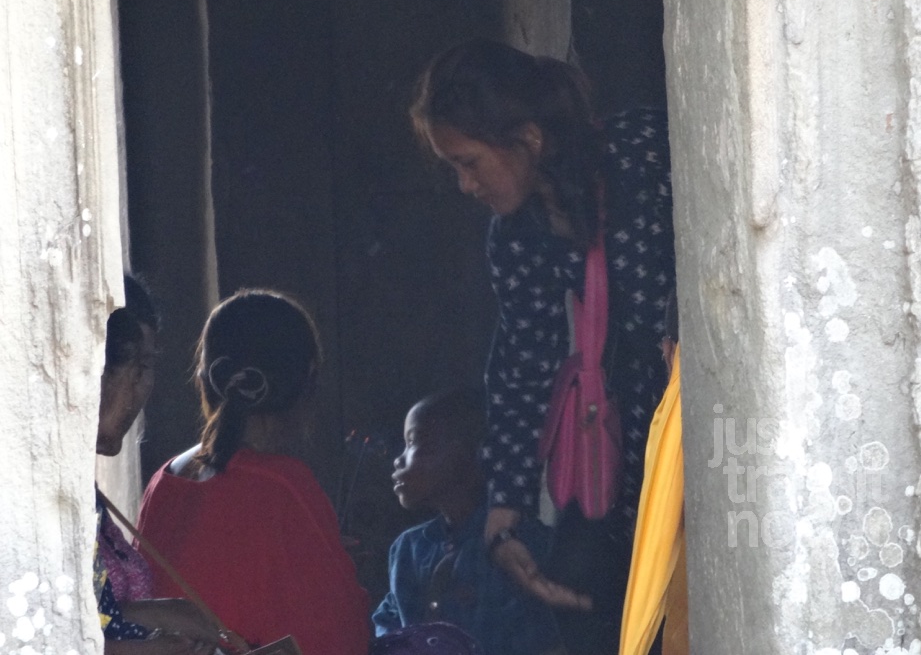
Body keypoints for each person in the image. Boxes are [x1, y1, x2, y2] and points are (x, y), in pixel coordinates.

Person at [410, 39, 676, 654]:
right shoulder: (517, 234)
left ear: (528, 139)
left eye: (470, 163)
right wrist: (505, 509)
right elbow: (523, 364)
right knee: (578, 586)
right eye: (453, 168)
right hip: (629, 453)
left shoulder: (643, 155)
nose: (465, 185)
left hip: (695, 427)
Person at [136, 289, 370, 655]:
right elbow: (343, 636)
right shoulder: (284, 486)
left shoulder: (164, 481)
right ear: (307, 379)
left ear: (205, 377)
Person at [372, 388, 564, 655]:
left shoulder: (523, 545)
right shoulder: (408, 548)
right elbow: (387, 626)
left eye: (415, 442)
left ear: (475, 457)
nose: (398, 460)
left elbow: (539, 639)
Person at [95, 275, 221, 654]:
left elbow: (102, 616)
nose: (142, 386)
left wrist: (168, 616)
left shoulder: (90, 501)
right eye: (140, 365)